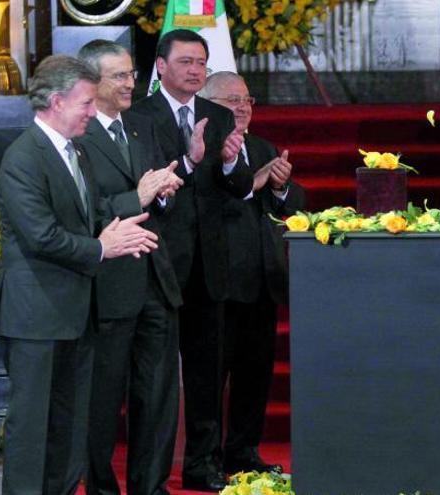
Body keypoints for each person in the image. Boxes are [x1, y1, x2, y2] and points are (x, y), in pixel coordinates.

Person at [0, 54, 159, 495]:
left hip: (77, 314)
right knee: (33, 430)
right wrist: (104, 247)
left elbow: (90, 215)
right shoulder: (23, 157)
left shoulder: (75, 152)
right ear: (55, 101)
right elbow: (43, 236)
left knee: (70, 429)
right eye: (86, 103)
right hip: (36, 319)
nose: (93, 110)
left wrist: (128, 210)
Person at [130, 29, 259, 492]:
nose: (194, 70)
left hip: (211, 264)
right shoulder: (139, 117)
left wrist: (227, 163)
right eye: (185, 61)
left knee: (208, 375)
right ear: (160, 67)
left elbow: (243, 187)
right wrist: (188, 160)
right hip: (160, 264)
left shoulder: (218, 115)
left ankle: (204, 466)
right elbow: (146, 191)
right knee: (159, 380)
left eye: (201, 63)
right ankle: (153, 475)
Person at [76, 40, 185, 495]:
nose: (130, 83)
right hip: (107, 288)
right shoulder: (77, 136)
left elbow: (154, 190)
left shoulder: (142, 126)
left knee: (157, 397)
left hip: (155, 282)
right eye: (119, 76)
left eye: (131, 74)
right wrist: (136, 197)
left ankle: (150, 487)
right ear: (92, 82)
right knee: (102, 402)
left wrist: (162, 190)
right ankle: (102, 488)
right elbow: (81, 210)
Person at [199, 71, 306, 474]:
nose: (243, 108)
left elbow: (292, 204)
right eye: (232, 101)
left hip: (263, 283)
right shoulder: (202, 151)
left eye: (247, 100)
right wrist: (250, 182)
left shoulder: (262, 147)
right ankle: (205, 459)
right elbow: (210, 206)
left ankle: (243, 453)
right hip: (218, 283)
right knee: (212, 378)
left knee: (254, 376)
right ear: (208, 106)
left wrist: (279, 187)